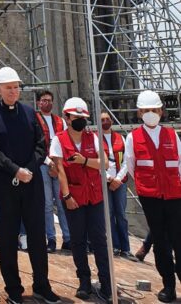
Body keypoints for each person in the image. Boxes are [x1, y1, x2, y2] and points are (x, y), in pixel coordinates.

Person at [0, 67, 60, 304]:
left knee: (37, 236)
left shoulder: (29, 113)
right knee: (7, 238)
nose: (13, 91)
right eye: (8, 88)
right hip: (5, 185)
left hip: (31, 183)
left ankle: (42, 285)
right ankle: (13, 289)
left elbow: (41, 145)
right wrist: (16, 170)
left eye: (16, 87)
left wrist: (29, 169)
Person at [50, 97, 112, 303]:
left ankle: (106, 281)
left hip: (94, 196)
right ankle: (84, 280)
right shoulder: (59, 139)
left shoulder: (92, 138)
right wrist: (66, 196)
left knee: (99, 240)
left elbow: (103, 164)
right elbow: (59, 170)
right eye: (76, 117)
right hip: (74, 198)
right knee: (77, 240)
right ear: (67, 118)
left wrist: (84, 160)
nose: (80, 121)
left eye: (83, 118)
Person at [124, 90, 181, 303]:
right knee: (160, 241)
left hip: (175, 194)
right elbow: (131, 166)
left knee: (179, 239)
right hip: (151, 197)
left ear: (161, 111)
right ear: (139, 113)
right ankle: (168, 285)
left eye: (154, 110)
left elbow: (180, 163)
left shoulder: (171, 134)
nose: (151, 113)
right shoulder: (133, 137)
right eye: (146, 110)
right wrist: (146, 185)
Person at [35, 90, 71, 253]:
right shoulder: (35, 119)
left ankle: (68, 238)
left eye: (49, 100)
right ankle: (51, 238)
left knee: (62, 202)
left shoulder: (60, 121)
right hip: (43, 164)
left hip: (59, 165)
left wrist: (57, 165)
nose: (47, 103)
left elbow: (64, 142)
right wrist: (49, 163)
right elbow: (35, 144)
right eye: (44, 100)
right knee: (47, 204)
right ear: (38, 103)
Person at [100, 111, 137, 261]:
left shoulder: (120, 138)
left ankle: (126, 248)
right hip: (105, 181)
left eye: (107, 119)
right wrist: (109, 178)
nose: (105, 122)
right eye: (102, 120)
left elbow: (126, 162)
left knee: (121, 214)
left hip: (120, 182)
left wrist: (118, 179)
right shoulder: (96, 139)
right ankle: (114, 246)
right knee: (109, 214)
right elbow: (97, 163)